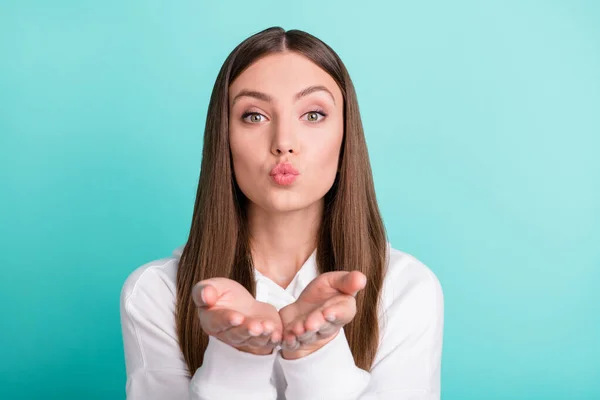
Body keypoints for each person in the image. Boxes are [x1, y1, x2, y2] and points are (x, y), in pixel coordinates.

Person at [120, 26, 444, 400]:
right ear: (222, 137)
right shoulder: (156, 293)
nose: (284, 143)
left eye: (313, 114)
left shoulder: (406, 289)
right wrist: (237, 359)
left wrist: (315, 357)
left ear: (346, 135)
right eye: (255, 116)